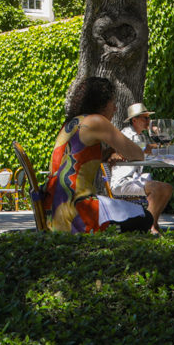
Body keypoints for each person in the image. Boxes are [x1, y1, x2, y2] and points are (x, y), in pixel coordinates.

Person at [43, 77, 154, 234]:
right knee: (146, 218)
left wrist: (108, 153)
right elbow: (136, 154)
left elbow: (80, 157)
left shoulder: (72, 123)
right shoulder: (96, 121)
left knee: (136, 216)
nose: (115, 109)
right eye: (113, 103)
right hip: (78, 214)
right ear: (101, 103)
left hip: (56, 210)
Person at [107, 102, 173, 233]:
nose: (148, 121)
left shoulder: (141, 136)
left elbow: (155, 149)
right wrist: (159, 136)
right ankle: (149, 227)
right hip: (122, 183)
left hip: (135, 179)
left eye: (148, 118)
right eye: (145, 118)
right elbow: (147, 149)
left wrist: (160, 139)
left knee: (167, 188)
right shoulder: (127, 135)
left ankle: (152, 224)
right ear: (134, 120)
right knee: (157, 189)